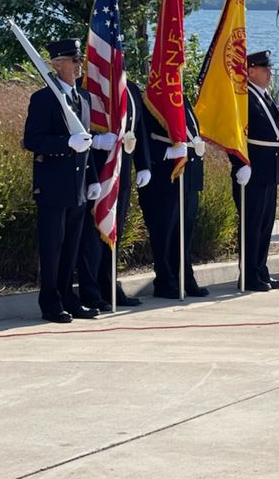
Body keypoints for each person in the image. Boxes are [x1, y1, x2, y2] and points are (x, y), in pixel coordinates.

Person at [23, 38, 102, 323]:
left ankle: (69, 298)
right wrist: (66, 143)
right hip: (54, 187)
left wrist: (92, 178)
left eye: (79, 60)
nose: (79, 65)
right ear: (57, 64)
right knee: (53, 248)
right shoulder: (44, 99)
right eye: (74, 60)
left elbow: (87, 142)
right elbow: (32, 140)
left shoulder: (82, 99)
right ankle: (51, 303)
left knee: (72, 248)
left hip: (77, 188)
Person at [76, 78, 152, 310]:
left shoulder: (130, 89)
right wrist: (97, 142)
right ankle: (90, 290)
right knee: (92, 236)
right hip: (99, 171)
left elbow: (139, 129)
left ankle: (110, 287)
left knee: (113, 232)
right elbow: (79, 127)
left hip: (122, 170)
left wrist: (144, 164)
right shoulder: (87, 84)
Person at [230, 50, 279, 291]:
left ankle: (261, 270)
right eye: (265, 69)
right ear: (251, 71)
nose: (270, 73)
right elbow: (233, 135)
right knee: (252, 225)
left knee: (265, 225)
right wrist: (239, 164)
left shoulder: (265, 98)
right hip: (252, 172)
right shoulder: (245, 99)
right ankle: (249, 275)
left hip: (268, 170)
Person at [139, 96, 209, 299]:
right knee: (164, 233)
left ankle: (185, 278)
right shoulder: (151, 100)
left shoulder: (181, 98)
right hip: (165, 179)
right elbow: (143, 137)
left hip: (187, 178)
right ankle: (165, 281)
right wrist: (166, 152)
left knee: (185, 234)